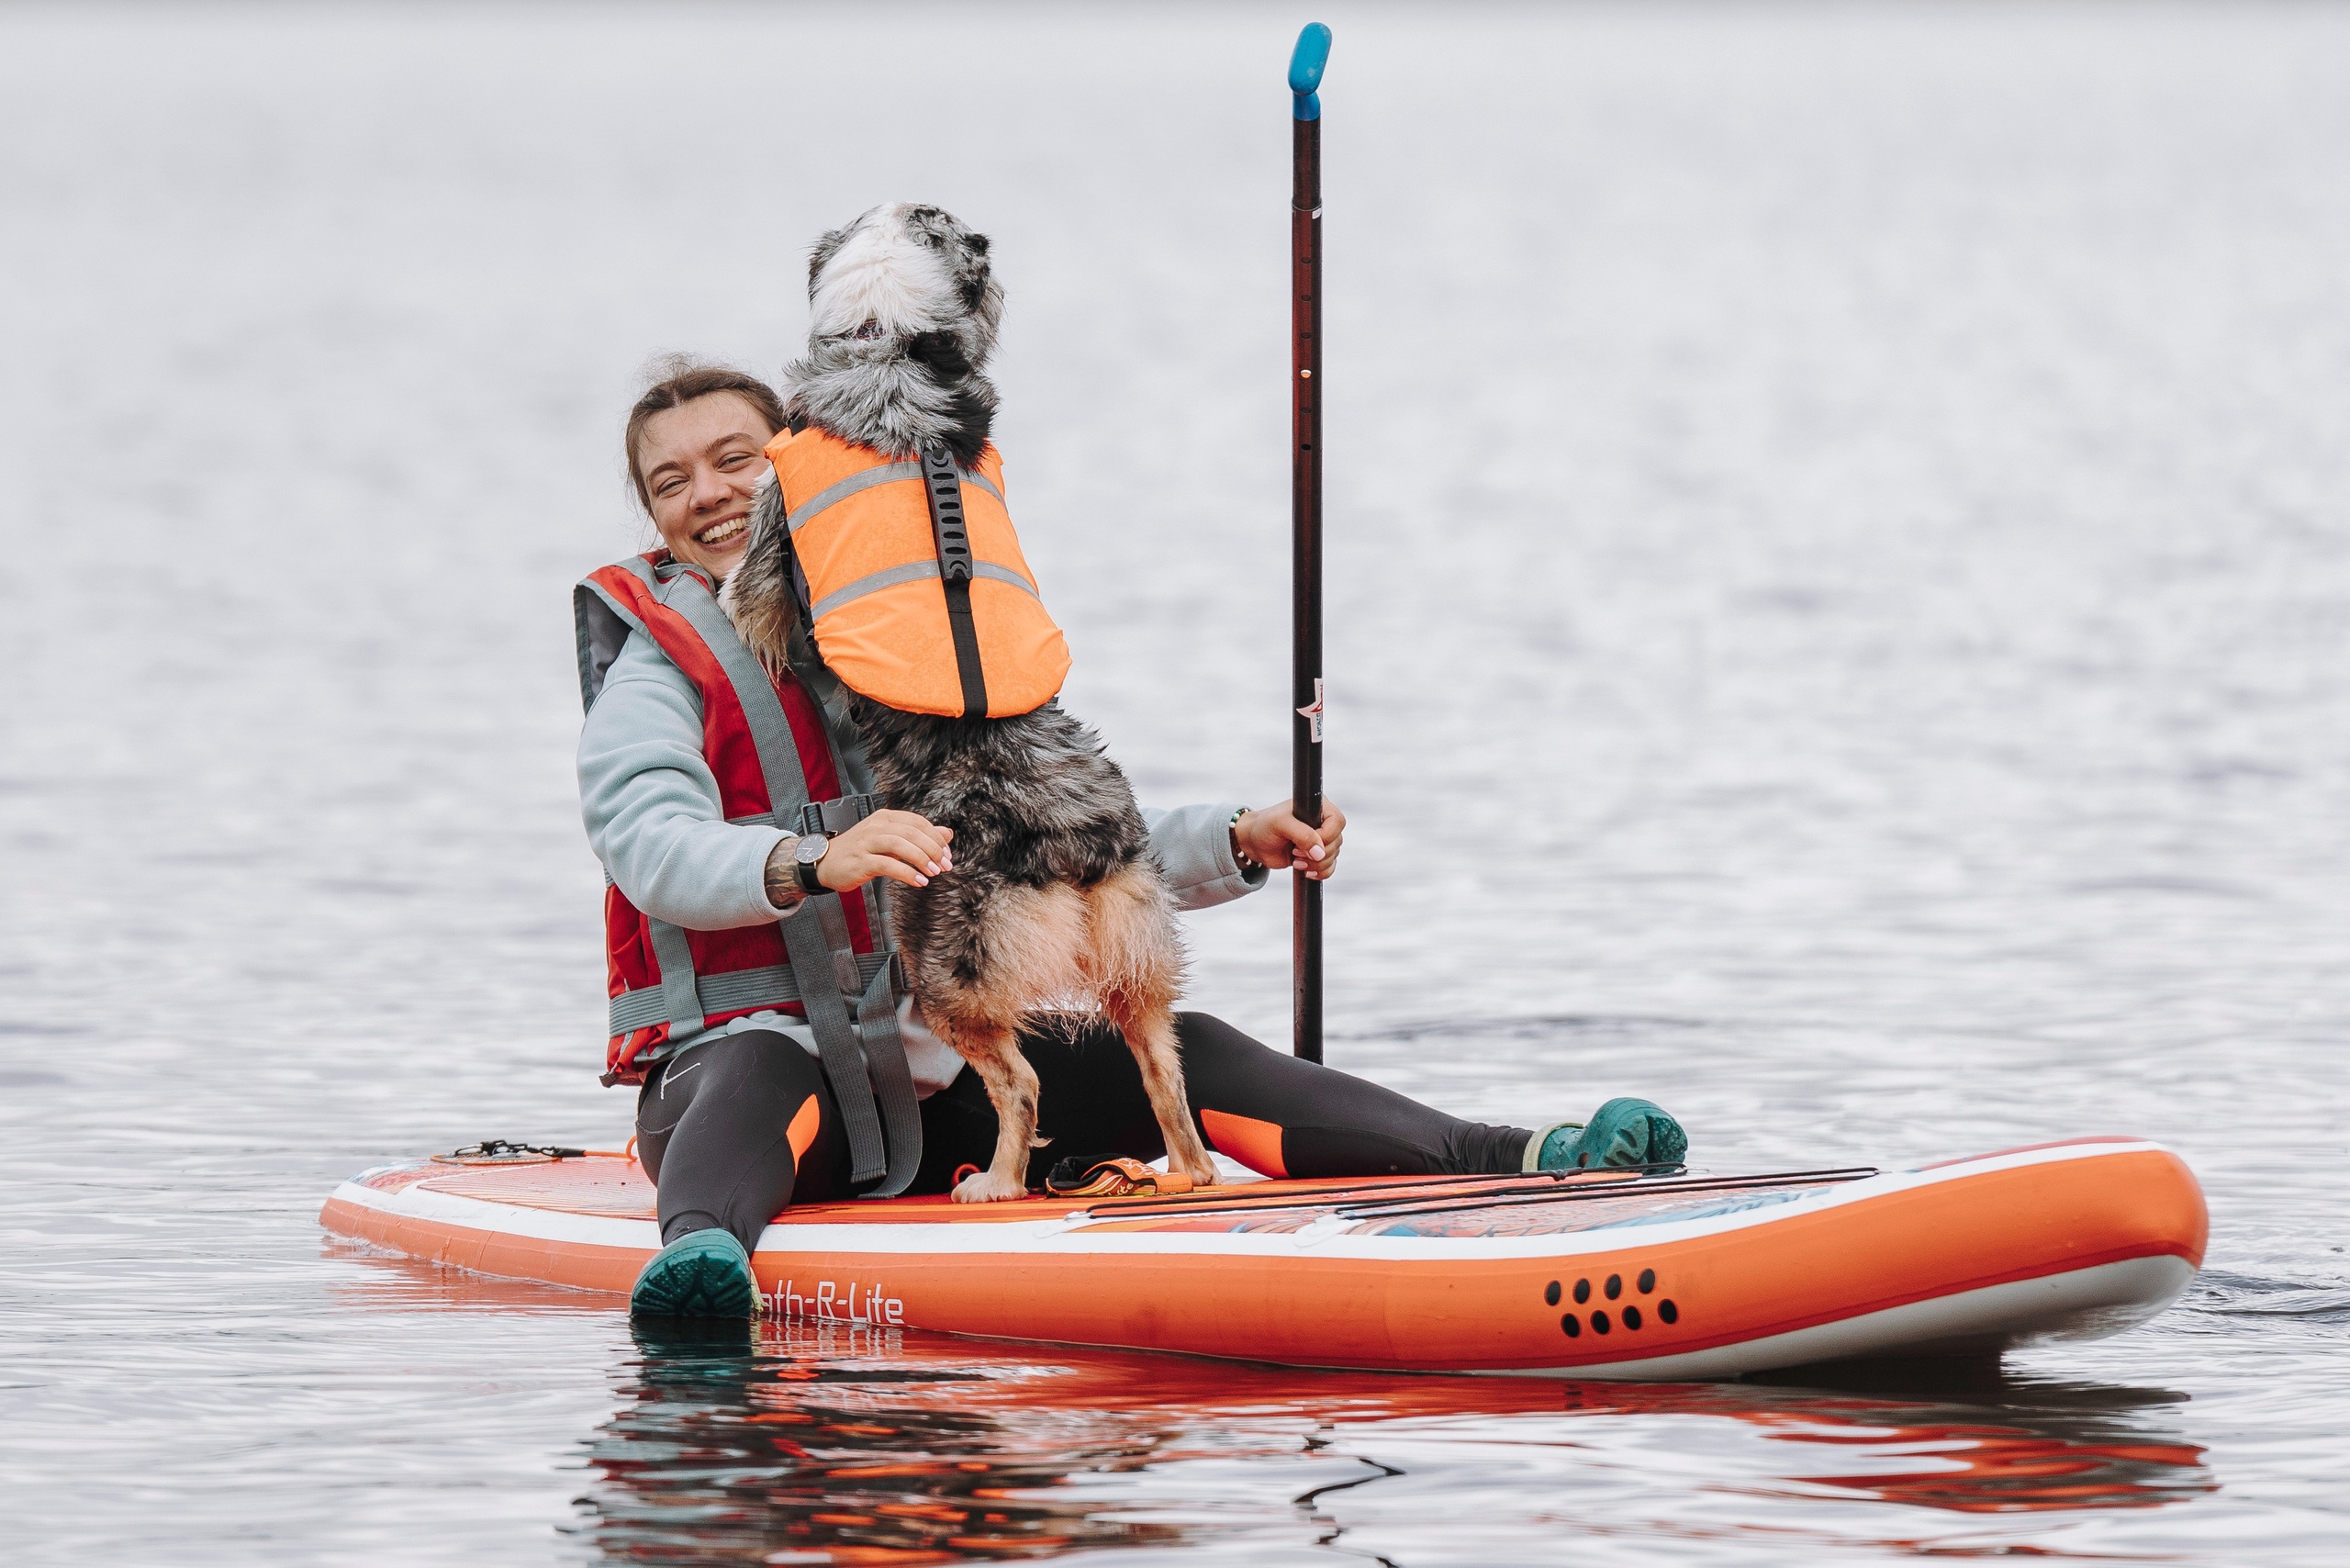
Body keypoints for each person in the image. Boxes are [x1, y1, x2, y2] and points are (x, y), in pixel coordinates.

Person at [577, 361, 1686, 1316]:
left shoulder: (900, 638)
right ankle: (704, 1264)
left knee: (1184, 1041)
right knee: (762, 1064)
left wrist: (1241, 841)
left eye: (737, 460)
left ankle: (1519, 1156)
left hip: (940, 1087)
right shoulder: (656, 671)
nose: (709, 495)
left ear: (801, 470)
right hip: (756, 1092)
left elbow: (1061, 828)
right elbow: (648, 839)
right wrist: (814, 858)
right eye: (670, 482)